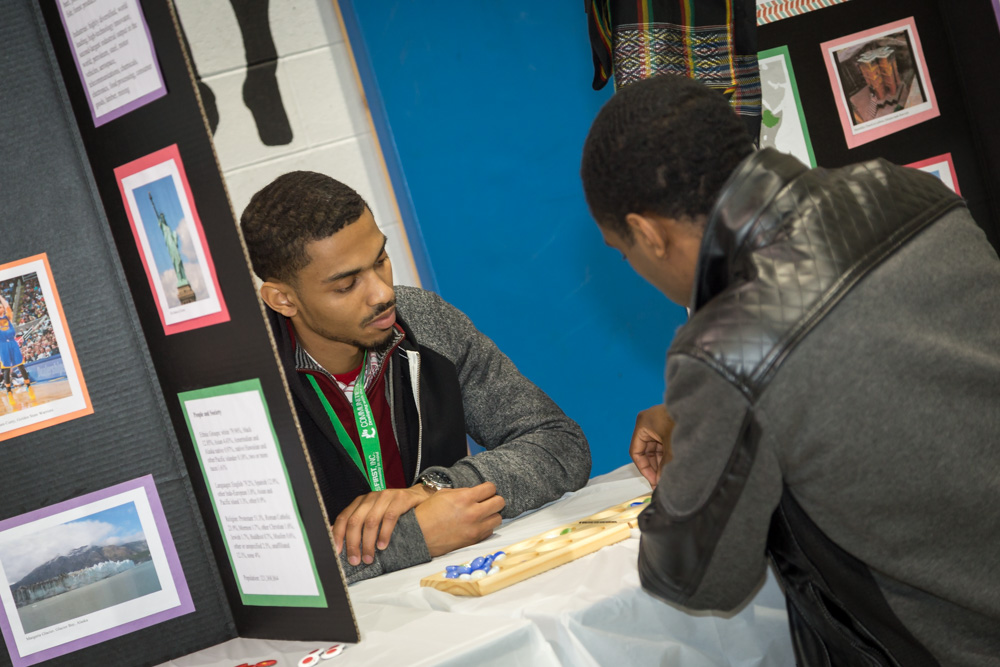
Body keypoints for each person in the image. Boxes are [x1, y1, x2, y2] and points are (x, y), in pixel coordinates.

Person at [580, 74, 1000, 665]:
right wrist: (707, 416)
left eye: (623, 252)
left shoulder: (726, 347)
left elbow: (693, 576)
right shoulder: (904, 189)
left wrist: (699, 443)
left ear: (648, 234)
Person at [240, 172, 591, 583]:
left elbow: (560, 443)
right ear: (283, 299)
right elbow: (255, 570)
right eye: (348, 284)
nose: (382, 293)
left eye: (380, 260)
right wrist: (413, 537)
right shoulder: (241, 391)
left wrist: (435, 489)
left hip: (461, 591)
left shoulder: (424, 321)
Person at [0, 295, 31, 394]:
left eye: (1, 307)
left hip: (12, 343)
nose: (1, 308)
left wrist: (0, 297)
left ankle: (28, 385)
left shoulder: (8, 317)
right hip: (3, 345)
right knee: (6, 368)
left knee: (20, 365)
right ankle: (9, 390)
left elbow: (7, 306)